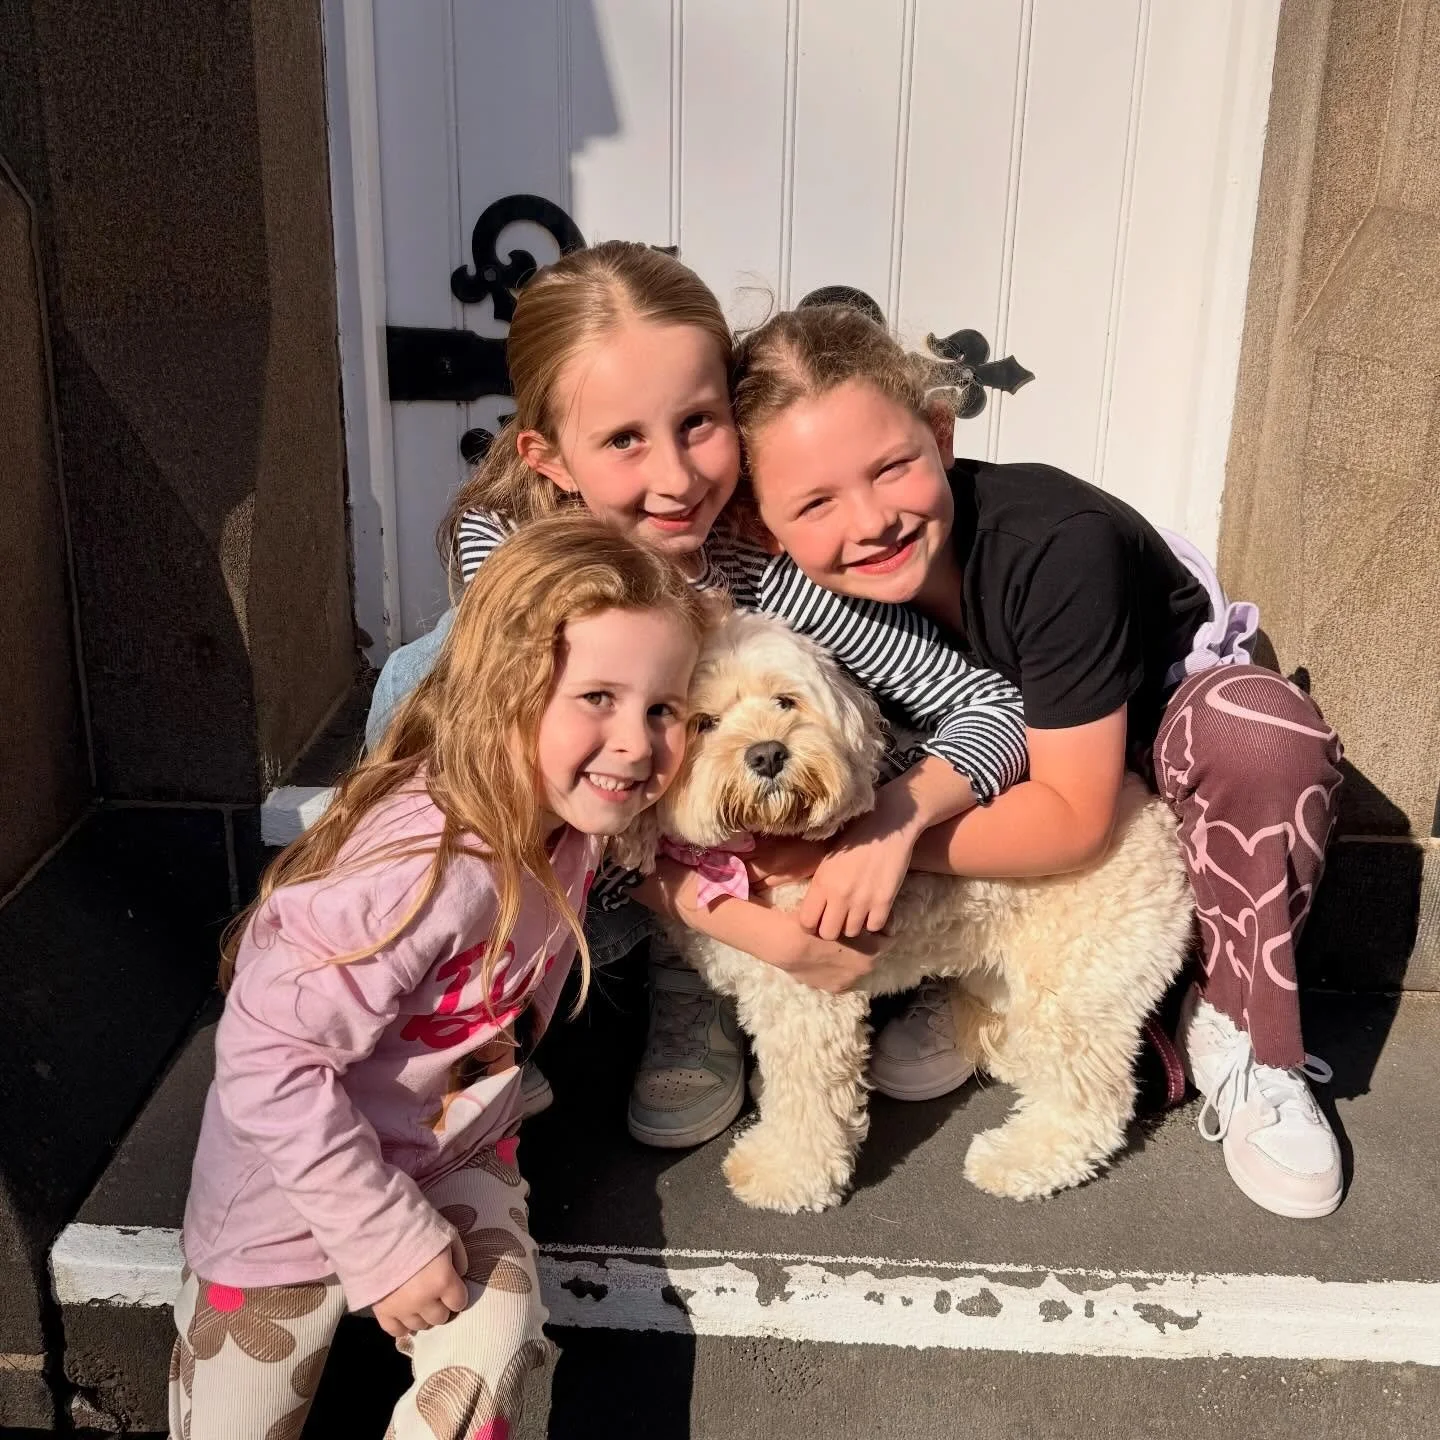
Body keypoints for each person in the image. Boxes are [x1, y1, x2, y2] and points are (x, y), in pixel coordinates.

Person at [368, 241, 1028, 1149]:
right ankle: (466, 1016)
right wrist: (754, 932)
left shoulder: (765, 571)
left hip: (733, 862)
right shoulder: (508, 554)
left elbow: (992, 705)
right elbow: (552, 803)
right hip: (590, 891)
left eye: (699, 423)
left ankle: (692, 986)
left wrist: (892, 823)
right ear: (550, 457)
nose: (676, 479)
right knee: (430, 677)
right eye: (624, 440)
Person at [727, 303, 1346, 1219]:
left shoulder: (1053, 547)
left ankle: (1240, 1021)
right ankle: (983, 995)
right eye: (815, 501)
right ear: (761, 524)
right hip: (1011, 759)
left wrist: (874, 832)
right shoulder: (806, 595)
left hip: (1139, 734)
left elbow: (1072, 816)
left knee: (1258, 738)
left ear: (940, 433)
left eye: (891, 466)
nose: (870, 520)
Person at [170, 515, 711, 1440]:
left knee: (492, 1344)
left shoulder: (572, 821)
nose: (637, 743)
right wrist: (383, 1239)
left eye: (664, 709)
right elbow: (267, 1061)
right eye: (597, 697)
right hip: (289, 1195)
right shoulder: (420, 868)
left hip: (452, 1149)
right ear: (505, 690)